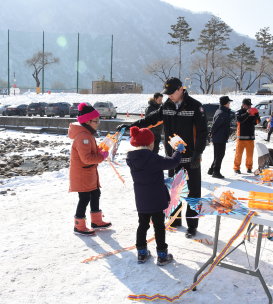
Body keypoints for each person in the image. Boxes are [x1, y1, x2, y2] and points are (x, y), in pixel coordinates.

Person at [117, 77, 208, 238]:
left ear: (181, 89)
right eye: (167, 93)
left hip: (191, 159)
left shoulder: (195, 106)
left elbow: (202, 133)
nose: (169, 96)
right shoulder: (166, 105)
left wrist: (198, 153)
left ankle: (192, 226)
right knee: (174, 191)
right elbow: (150, 119)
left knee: (193, 194)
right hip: (173, 158)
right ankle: (175, 220)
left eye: (172, 93)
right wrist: (131, 126)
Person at [126, 126, 183, 265]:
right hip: (156, 199)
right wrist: (178, 151)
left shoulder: (132, 158)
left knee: (142, 225)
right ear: (150, 144)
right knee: (159, 226)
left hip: (142, 199)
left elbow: (146, 174)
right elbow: (172, 163)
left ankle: (141, 253)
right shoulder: (152, 157)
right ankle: (162, 256)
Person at [68, 102, 112, 236]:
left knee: (95, 194)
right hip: (83, 174)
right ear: (87, 121)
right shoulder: (83, 136)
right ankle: (79, 226)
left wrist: (99, 150)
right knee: (84, 198)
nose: (98, 123)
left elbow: (89, 153)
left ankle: (96, 221)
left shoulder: (87, 134)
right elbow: (86, 158)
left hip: (89, 173)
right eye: (96, 121)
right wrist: (101, 156)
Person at [234, 98, 260, 174]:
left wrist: (257, 116)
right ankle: (236, 168)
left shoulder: (252, 112)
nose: (249, 107)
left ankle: (249, 167)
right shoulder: (238, 112)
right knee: (238, 154)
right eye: (247, 105)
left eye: (250, 105)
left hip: (250, 137)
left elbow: (257, 122)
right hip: (241, 137)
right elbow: (239, 120)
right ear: (243, 105)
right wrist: (247, 113)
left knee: (250, 155)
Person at [208, 96, 232, 179]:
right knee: (220, 155)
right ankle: (216, 172)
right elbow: (216, 124)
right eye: (228, 102)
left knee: (217, 155)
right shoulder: (222, 113)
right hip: (219, 137)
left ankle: (211, 170)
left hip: (220, 137)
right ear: (225, 103)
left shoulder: (221, 111)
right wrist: (211, 132)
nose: (229, 104)